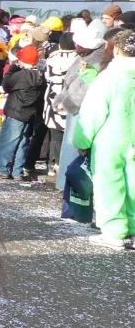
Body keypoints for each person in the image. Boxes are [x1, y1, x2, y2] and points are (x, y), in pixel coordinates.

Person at [74, 29, 135, 249]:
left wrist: (82, 141)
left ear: (117, 49)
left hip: (110, 139)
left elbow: (92, 112)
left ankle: (115, 231)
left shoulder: (110, 76)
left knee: (110, 183)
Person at [53, 22, 106, 193]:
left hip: (82, 110)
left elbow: (85, 88)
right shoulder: (83, 58)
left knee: (76, 146)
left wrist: (68, 102)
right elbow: (70, 81)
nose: (77, 48)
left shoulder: (98, 61)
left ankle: (73, 184)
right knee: (69, 147)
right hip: (73, 108)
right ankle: (66, 183)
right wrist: (62, 98)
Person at [0, 45, 46, 180]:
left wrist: (13, 68)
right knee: (22, 142)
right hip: (30, 114)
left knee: (7, 140)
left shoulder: (21, 75)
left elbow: (6, 84)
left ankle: (2, 169)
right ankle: (17, 171)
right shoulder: (40, 76)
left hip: (16, 111)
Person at [42, 33, 76, 184]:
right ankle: (65, 164)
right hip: (70, 99)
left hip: (53, 99)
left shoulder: (52, 59)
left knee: (55, 135)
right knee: (69, 134)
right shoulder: (79, 60)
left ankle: (52, 164)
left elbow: (47, 78)